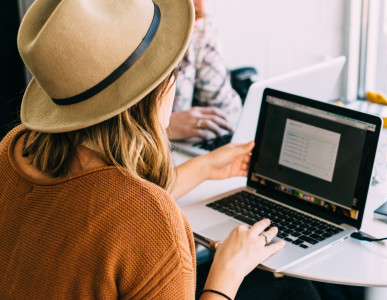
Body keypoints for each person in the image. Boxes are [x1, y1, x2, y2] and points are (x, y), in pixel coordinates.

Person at [0, 0, 318, 299]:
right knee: (297, 292)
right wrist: (227, 272)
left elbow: (105, 207)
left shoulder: (12, 148)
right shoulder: (153, 220)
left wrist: (206, 167)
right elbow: (129, 216)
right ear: (156, 92)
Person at [167, 0, 242, 141]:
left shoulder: (201, 27)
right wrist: (164, 127)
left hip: (178, 152)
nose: (199, 9)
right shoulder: (122, 36)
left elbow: (227, 112)